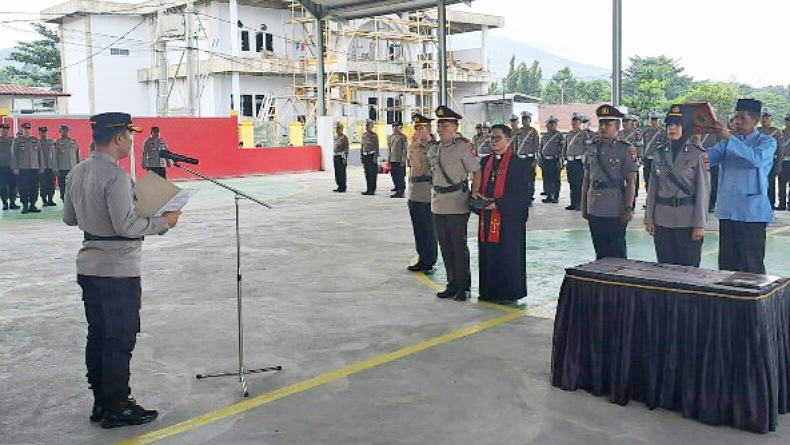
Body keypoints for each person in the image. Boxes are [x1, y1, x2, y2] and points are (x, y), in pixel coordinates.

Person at [63, 112, 181, 429]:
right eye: (129, 136)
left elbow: (70, 219)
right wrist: (163, 222)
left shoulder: (77, 171)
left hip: (89, 266)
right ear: (118, 138)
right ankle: (118, 405)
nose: (130, 141)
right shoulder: (115, 177)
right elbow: (126, 225)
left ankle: (101, 401)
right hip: (118, 269)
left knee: (99, 335)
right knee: (119, 338)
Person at [708, 98, 776, 274]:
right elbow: (706, 159)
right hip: (728, 210)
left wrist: (729, 137)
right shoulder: (726, 142)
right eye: (735, 118)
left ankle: (753, 301)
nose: (737, 122)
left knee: (751, 265)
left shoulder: (767, 142)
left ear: (756, 120)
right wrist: (695, 138)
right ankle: (728, 301)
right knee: (726, 266)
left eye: (742, 118)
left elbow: (756, 159)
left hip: (752, 213)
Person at [644, 104, 710, 267]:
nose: (672, 128)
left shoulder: (698, 154)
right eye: (669, 124)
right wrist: (649, 218)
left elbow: (703, 191)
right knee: (665, 268)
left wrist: (699, 224)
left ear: (686, 127)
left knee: (688, 269)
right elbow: (652, 188)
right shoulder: (659, 153)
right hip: (662, 219)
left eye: (677, 124)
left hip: (687, 221)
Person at [473, 124, 530, 304]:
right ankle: (488, 291)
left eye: (497, 138)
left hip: (508, 220)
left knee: (507, 256)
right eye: (491, 137)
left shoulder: (518, 163)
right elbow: (478, 187)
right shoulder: (485, 162)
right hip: (487, 218)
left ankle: (508, 293)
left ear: (508, 139)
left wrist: (498, 204)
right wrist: (478, 199)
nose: (493, 141)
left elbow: (523, 194)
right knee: (488, 254)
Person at [429, 106, 482, 301]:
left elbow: (477, 171)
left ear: (455, 127)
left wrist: (475, 193)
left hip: (457, 203)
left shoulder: (463, 147)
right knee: (445, 246)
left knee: (458, 247)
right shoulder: (435, 148)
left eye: (444, 125)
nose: (440, 128)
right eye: (439, 124)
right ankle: (451, 284)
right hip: (438, 203)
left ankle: (463, 287)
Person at [581, 104, 638, 260]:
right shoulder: (592, 148)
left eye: (608, 124)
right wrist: (584, 205)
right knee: (600, 252)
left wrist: (628, 207)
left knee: (617, 252)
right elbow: (586, 179)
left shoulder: (626, 149)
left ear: (617, 127)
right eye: (601, 124)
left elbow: (631, 181)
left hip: (615, 208)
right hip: (595, 206)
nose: (603, 127)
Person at [406, 113, 438, 274]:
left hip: (426, 194)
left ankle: (429, 261)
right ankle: (422, 258)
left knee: (428, 230)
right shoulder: (414, 146)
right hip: (414, 193)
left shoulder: (433, 147)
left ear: (427, 130)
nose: (417, 132)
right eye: (416, 128)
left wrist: (416, 148)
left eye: (420, 128)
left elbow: (419, 171)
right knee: (418, 229)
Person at [11, 122, 43, 214]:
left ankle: (32, 205)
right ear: (23, 129)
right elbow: (14, 156)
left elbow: (40, 155)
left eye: (29, 128)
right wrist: (15, 167)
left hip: (34, 168)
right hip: (23, 168)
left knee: (34, 187)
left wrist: (41, 166)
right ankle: (25, 205)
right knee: (23, 188)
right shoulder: (17, 141)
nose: (27, 130)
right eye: (25, 129)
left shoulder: (35, 140)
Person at [759, 108, 785, 209]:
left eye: (767, 117)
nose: (764, 119)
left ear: (771, 119)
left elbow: (780, 149)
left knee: (770, 183)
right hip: (759, 160)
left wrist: (779, 164)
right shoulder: (757, 131)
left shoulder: (776, 132)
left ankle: (770, 204)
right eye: (763, 117)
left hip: (771, 160)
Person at [563, 113, 589, 211]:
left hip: (579, 162)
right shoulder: (569, 134)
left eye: (576, 121)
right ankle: (573, 203)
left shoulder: (584, 134)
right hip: (570, 162)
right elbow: (564, 148)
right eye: (573, 121)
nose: (574, 123)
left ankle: (580, 204)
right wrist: (564, 158)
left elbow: (587, 148)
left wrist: (585, 159)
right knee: (572, 183)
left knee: (579, 184)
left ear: (580, 122)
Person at [515, 111, 540, 204]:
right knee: (521, 179)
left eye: (526, 119)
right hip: (520, 159)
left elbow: (537, 146)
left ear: (530, 120)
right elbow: (516, 145)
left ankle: (529, 197)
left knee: (530, 179)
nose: (524, 121)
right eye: (523, 119)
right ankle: (522, 196)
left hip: (530, 159)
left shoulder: (533, 131)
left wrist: (536, 159)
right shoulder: (519, 131)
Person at [620, 114, 644, 207]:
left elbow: (640, 146)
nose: (625, 124)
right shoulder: (620, 133)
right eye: (623, 122)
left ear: (631, 123)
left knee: (632, 182)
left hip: (632, 160)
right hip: (621, 161)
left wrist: (640, 159)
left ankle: (631, 204)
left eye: (627, 122)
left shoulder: (637, 134)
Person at [540, 115, 564, 204]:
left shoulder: (559, 135)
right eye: (549, 123)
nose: (550, 125)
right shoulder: (544, 136)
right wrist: (540, 159)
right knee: (547, 178)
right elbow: (541, 148)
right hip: (546, 160)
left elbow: (562, 149)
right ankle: (549, 195)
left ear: (555, 124)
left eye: (552, 123)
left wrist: (561, 161)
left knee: (555, 179)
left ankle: (556, 196)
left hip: (555, 160)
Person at [54, 124, 81, 201]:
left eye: (66, 131)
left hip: (73, 168)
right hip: (62, 168)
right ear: (60, 132)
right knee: (63, 186)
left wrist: (79, 167)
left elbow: (77, 155)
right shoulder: (57, 143)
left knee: (73, 186)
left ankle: (73, 202)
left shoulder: (73, 142)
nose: (65, 133)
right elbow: (54, 157)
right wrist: (55, 169)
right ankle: (64, 202)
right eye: (63, 131)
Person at [642, 111, 665, 196]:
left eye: (656, 120)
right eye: (652, 120)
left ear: (659, 121)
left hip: (659, 161)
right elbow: (643, 145)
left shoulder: (663, 133)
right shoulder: (646, 132)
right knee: (647, 180)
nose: (654, 122)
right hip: (648, 160)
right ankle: (649, 199)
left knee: (659, 180)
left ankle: (658, 198)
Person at [698, 132, 720, 212]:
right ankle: (705, 204)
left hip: (712, 160)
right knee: (701, 182)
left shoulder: (716, 133)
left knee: (714, 183)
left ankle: (711, 204)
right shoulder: (695, 131)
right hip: (700, 160)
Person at [0, 123, 20, 210]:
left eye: (7, 129)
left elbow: (17, 154)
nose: (5, 131)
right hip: (1, 167)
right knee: (3, 186)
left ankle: (12, 202)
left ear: (9, 130)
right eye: (3, 129)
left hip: (12, 166)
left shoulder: (13, 140)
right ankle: (4, 202)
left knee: (13, 185)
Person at [38, 126, 57, 207]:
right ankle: (44, 200)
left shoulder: (51, 142)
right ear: (39, 133)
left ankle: (50, 199)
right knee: (43, 184)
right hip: (42, 167)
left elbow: (55, 155)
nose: (43, 134)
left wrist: (55, 167)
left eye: (45, 132)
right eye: (42, 132)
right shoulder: (37, 143)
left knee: (51, 184)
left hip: (51, 167)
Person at [388, 121, 408, 198]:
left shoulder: (403, 137)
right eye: (394, 127)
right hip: (393, 159)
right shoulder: (392, 137)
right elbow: (389, 148)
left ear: (401, 128)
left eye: (397, 127)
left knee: (400, 176)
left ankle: (401, 191)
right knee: (394, 175)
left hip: (399, 160)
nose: (395, 128)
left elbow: (405, 149)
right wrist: (389, 158)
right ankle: (397, 188)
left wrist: (403, 160)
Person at [360, 120, 379, 195]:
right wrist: (361, 156)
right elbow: (362, 146)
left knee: (372, 174)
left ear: (372, 126)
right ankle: (368, 188)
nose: (367, 127)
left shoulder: (374, 135)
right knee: (367, 173)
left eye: (368, 126)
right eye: (366, 126)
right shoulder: (364, 135)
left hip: (372, 156)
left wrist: (376, 157)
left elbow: (377, 147)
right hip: (365, 156)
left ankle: (372, 189)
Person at [332, 122, 349, 193]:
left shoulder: (344, 138)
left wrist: (345, 158)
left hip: (341, 156)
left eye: (339, 128)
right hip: (336, 155)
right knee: (337, 172)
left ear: (342, 129)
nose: (337, 130)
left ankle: (343, 186)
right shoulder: (335, 137)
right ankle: (339, 185)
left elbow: (346, 148)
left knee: (342, 172)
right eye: (336, 128)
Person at [779, 114, 790, 210]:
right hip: (782, 161)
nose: (788, 122)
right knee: (781, 184)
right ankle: (781, 204)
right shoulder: (781, 133)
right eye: (787, 120)